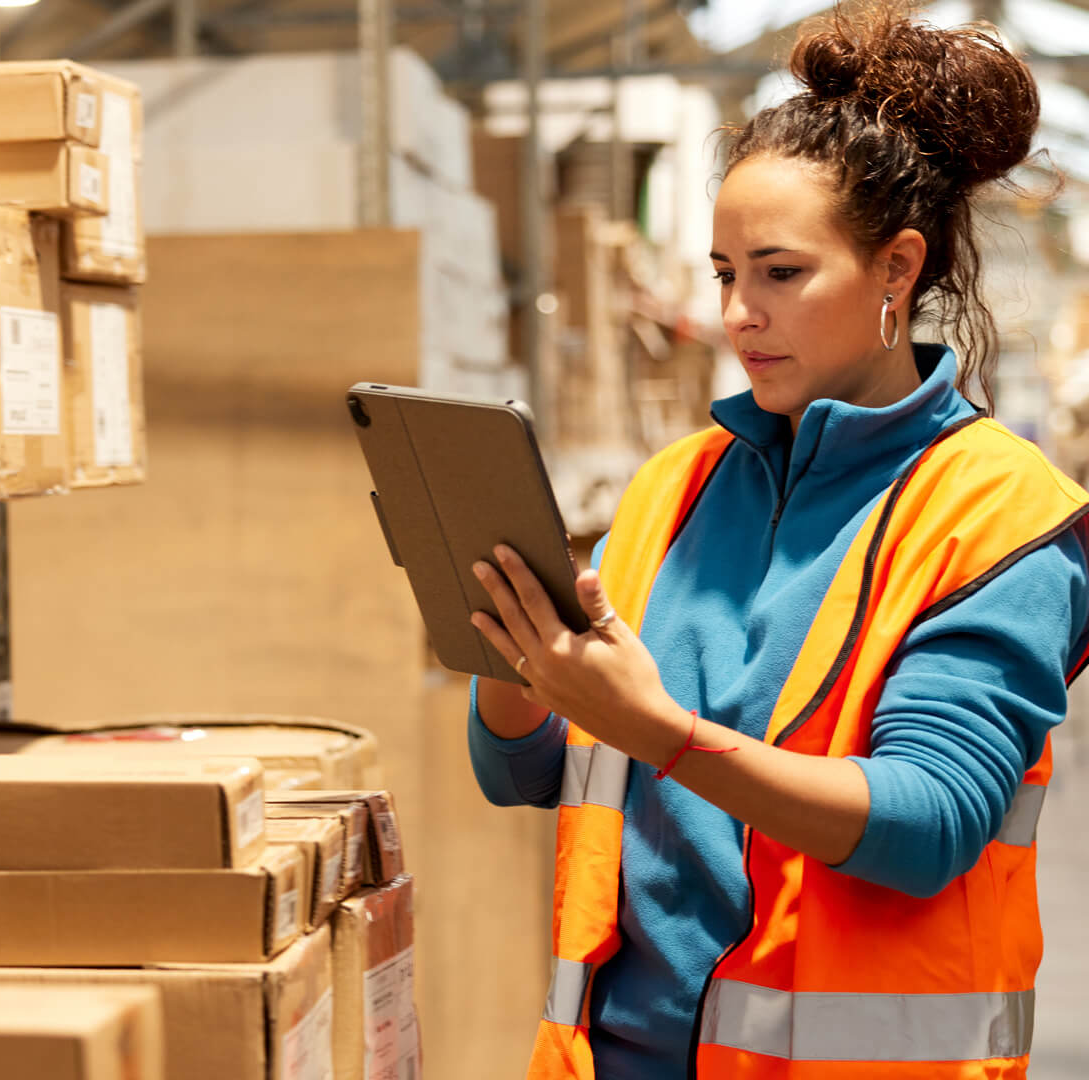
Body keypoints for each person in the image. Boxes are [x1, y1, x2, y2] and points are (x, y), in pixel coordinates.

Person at [466, 5, 1089, 1079]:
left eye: (779, 272)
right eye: (724, 274)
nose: (739, 313)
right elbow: (519, 771)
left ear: (896, 269)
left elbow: (927, 820)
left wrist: (659, 731)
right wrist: (516, 659)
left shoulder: (998, 514)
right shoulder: (675, 485)